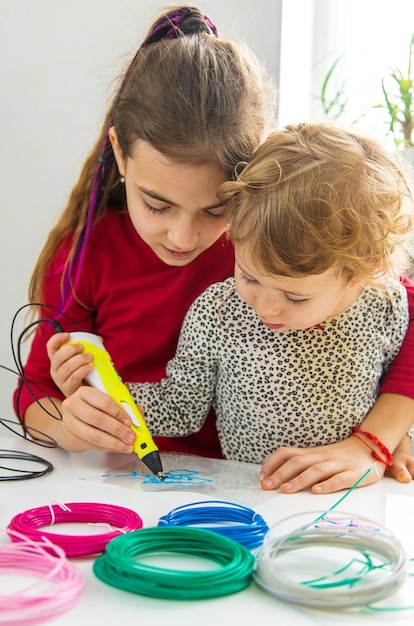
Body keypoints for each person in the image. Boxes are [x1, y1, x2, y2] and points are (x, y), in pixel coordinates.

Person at [17, 6, 414, 486]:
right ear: (121, 153)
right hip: (144, 480)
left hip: (270, 483)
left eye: (215, 209)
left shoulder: (270, 237)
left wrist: (375, 439)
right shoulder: (87, 255)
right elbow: (35, 394)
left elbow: (396, 311)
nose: (183, 238)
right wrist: (71, 424)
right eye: (157, 205)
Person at [49, 122, 414, 494]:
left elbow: (397, 376)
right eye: (250, 277)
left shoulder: (383, 301)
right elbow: (180, 408)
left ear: (361, 271)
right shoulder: (216, 313)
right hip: (250, 492)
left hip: (358, 495)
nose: (266, 308)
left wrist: (392, 437)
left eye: (295, 297)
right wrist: (101, 396)